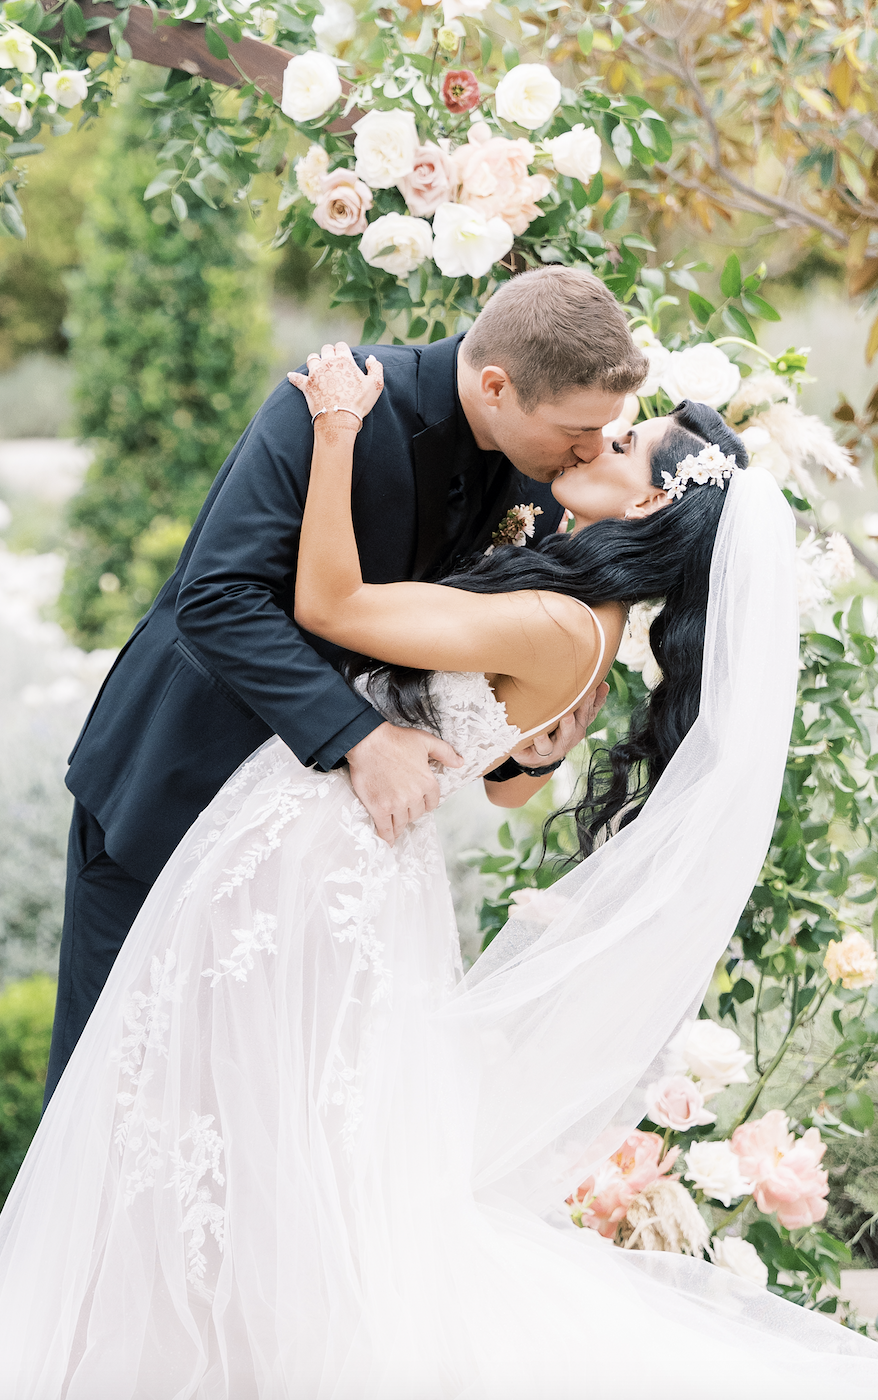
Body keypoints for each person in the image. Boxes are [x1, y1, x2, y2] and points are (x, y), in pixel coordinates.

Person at [1, 345, 876, 1398]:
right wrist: (523, 742)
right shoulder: (571, 595)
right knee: (245, 1136)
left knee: (230, 1131)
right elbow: (508, 781)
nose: (602, 438)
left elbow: (327, 602)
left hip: (316, 863)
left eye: (627, 440)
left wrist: (332, 435)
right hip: (326, 852)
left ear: (646, 503)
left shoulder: (559, 619)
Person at [43, 266, 647, 1105]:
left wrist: (534, 750)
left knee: (258, 1124)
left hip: (315, 867)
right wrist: (359, 740)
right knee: (114, 1101)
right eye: (577, 429)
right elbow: (218, 599)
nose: (589, 449)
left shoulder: (540, 481)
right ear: (499, 386)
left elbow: (473, 683)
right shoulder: (335, 401)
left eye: (604, 432)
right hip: (175, 792)